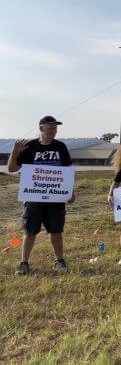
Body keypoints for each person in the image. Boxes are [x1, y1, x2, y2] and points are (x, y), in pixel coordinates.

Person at [7, 116, 76, 275]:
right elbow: (11, 169)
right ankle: (24, 263)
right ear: (41, 129)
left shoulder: (61, 147)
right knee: (30, 231)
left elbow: (66, 172)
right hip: (33, 197)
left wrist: (70, 191)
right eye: (50, 128)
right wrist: (15, 151)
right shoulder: (28, 147)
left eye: (55, 128)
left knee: (56, 230)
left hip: (55, 197)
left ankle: (59, 261)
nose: (53, 131)